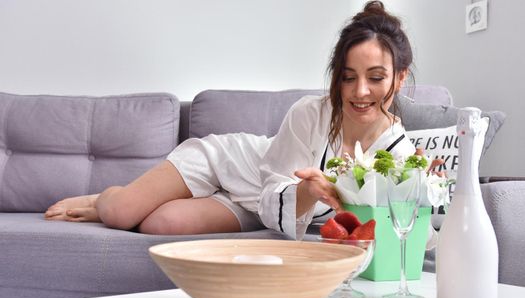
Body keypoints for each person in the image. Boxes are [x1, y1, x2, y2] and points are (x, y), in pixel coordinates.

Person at [45, 1, 423, 240]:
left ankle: (135, 202)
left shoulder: (400, 152)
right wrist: (307, 191)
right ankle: (105, 198)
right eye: (347, 76)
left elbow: (403, 218)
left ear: (399, 77)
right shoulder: (311, 112)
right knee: (123, 212)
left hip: (256, 208)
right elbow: (276, 180)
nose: (359, 91)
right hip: (231, 164)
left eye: (375, 78)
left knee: (160, 225)